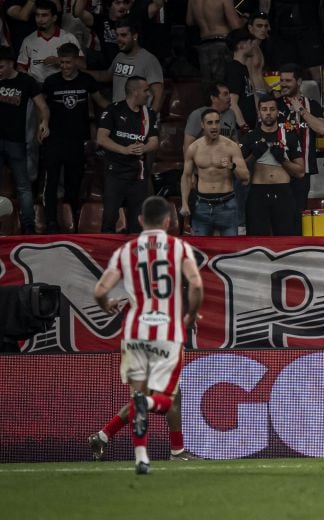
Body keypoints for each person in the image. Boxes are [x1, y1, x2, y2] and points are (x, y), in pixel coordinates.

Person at [93, 195, 204, 474]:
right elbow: (196, 285)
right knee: (166, 397)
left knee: (141, 395)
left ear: (140, 220)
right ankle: (176, 451)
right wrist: (190, 315)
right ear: (169, 221)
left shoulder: (126, 251)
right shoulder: (178, 247)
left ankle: (122, 446)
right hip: (167, 330)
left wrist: (108, 304)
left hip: (135, 331)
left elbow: (100, 291)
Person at [41, 42, 107, 233]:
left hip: (78, 140)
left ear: (77, 61)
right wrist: (42, 124)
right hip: (54, 139)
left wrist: (122, 112)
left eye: (68, 62)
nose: (65, 66)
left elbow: (101, 102)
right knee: (51, 182)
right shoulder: (51, 81)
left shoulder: (86, 80)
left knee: (74, 183)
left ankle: (71, 221)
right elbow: (42, 107)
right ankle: (51, 222)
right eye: (61, 62)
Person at [96, 75, 159, 233]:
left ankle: (135, 255)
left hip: (138, 175)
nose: (149, 94)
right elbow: (101, 138)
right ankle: (105, 255)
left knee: (137, 221)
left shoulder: (148, 114)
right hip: (115, 173)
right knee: (110, 217)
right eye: (146, 90)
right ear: (135, 92)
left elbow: (154, 141)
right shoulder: (113, 110)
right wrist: (124, 150)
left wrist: (142, 149)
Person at [0, 45, 49, 235]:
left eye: (2, 66)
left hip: (16, 141)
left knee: (23, 187)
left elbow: (42, 106)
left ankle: (28, 228)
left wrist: (44, 122)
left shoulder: (26, 81)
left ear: (12, 64)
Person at [239, 95, 306, 235]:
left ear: (278, 112)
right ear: (259, 112)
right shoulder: (250, 136)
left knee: (286, 240)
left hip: (283, 192)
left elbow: (300, 172)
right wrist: (253, 156)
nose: (268, 113)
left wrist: (283, 160)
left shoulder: (289, 135)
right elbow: (239, 171)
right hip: (258, 192)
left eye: (272, 109)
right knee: (256, 241)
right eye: (264, 109)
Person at [181, 109, 250, 236]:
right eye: (210, 123)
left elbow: (245, 177)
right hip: (202, 206)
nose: (214, 127)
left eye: (217, 122)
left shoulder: (231, 146)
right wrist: (184, 203)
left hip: (227, 205)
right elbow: (186, 176)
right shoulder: (194, 148)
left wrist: (232, 166)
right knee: (201, 250)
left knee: (230, 252)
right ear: (202, 124)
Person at [276, 63, 324, 218]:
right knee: (279, 214)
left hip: (303, 169)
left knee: (298, 213)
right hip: (279, 169)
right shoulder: (274, 105)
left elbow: (321, 129)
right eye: (282, 80)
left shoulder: (313, 105)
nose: (283, 84)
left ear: (298, 82)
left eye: (288, 80)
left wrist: (301, 110)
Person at [89, 20, 164, 112]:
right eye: (117, 35)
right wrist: (81, 72)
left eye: (123, 35)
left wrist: (150, 120)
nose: (118, 40)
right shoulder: (119, 56)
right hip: (118, 117)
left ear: (135, 36)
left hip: (138, 119)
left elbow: (159, 94)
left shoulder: (149, 60)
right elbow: (106, 76)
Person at [16, 0, 84, 84]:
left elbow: (82, 65)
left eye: (44, 15)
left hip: (62, 85)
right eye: (37, 15)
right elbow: (20, 66)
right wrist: (31, 84)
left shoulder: (68, 38)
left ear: (54, 18)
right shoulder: (28, 40)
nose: (40, 20)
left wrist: (59, 61)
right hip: (37, 87)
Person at [186, 0, 246, 84]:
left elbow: (189, 21)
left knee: (208, 84)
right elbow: (235, 25)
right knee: (224, 82)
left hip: (204, 44)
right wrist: (244, 20)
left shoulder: (192, 1)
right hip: (222, 44)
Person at [75, 0, 132, 70]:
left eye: (125, 3)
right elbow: (78, 13)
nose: (122, 6)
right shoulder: (100, 20)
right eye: (118, 3)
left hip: (124, 68)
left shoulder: (132, 21)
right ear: (109, 6)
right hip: (102, 68)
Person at [184, 82, 238, 151]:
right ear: (213, 98)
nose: (229, 97)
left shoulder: (231, 114)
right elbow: (188, 145)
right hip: (203, 159)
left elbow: (235, 141)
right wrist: (188, 161)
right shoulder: (197, 115)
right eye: (225, 94)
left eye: (229, 94)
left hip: (225, 159)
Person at [225, 29, 258, 133]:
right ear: (241, 45)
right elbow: (232, 102)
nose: (253, 46)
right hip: (240, 131)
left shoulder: (242, 68)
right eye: (250, 43)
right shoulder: (233, 69)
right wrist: (243, 126)